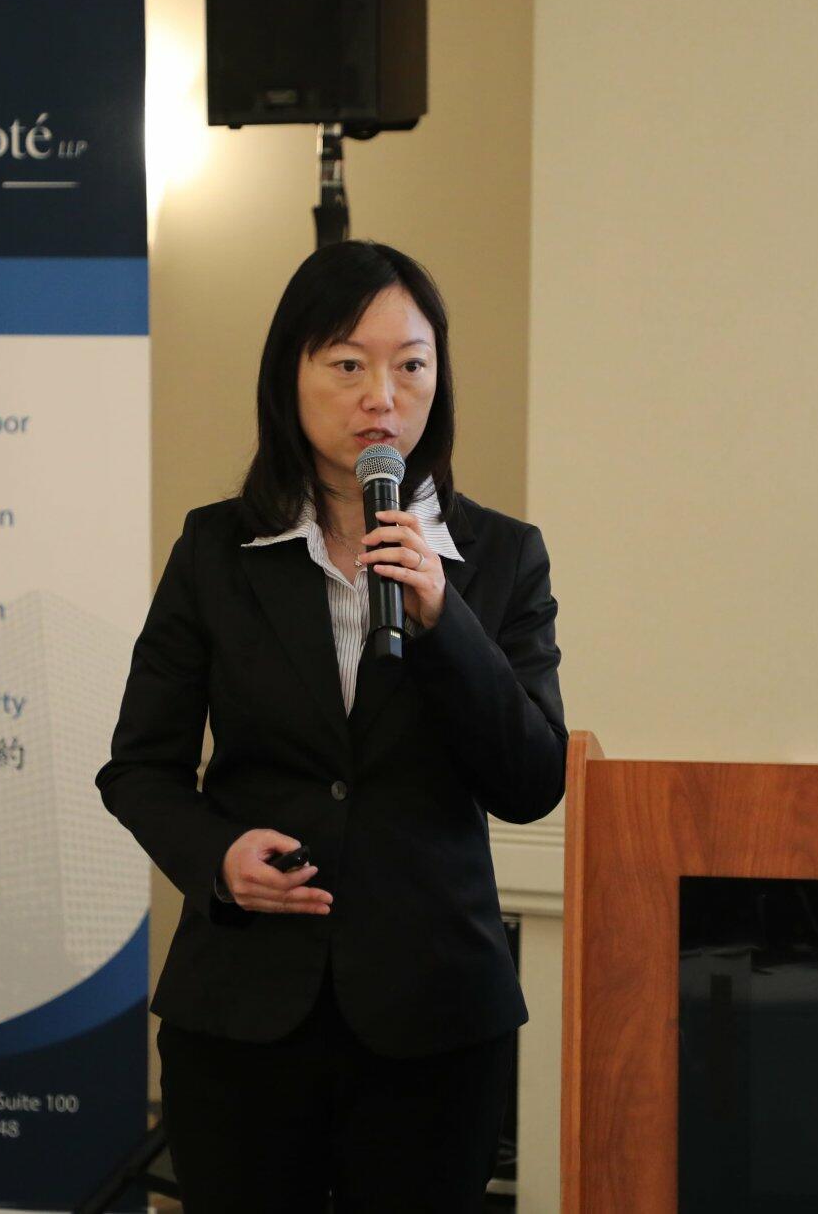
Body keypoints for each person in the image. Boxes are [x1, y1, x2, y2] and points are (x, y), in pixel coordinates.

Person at [95, 240, 567, 1212]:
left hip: (435, 1019)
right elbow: (138, 767)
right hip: (244, 1010)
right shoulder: (218, 549)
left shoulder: (500, 557)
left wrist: (444, 619)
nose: (381, 397)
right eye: (348, 363)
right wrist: (216, 857)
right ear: (291, 374)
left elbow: (530, 782)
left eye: (410, 365)